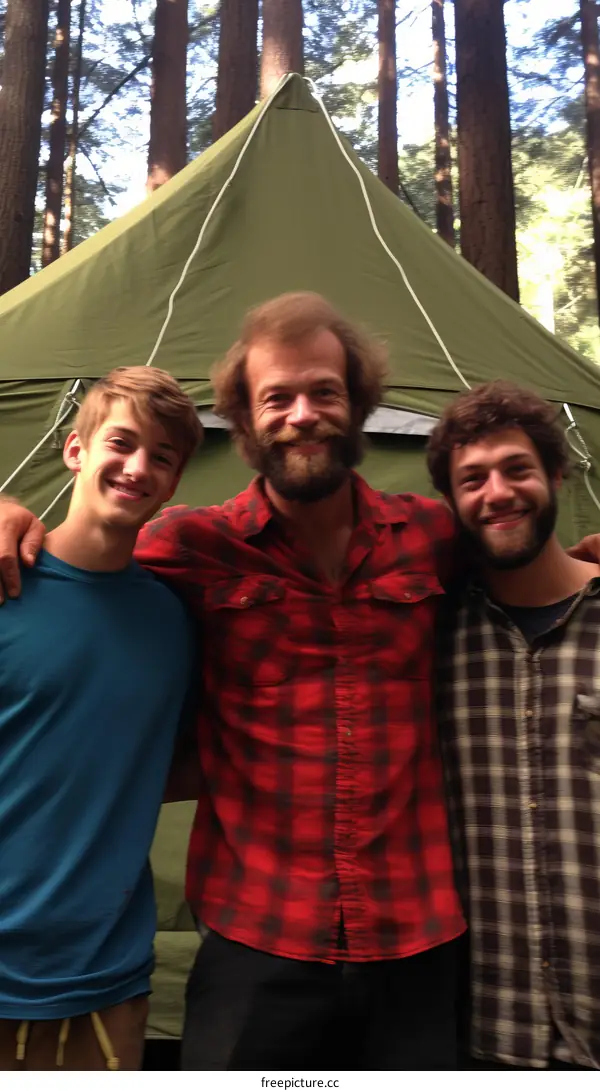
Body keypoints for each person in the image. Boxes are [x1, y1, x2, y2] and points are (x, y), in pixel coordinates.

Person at [0, 293, 465, 1071]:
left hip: (415, 937)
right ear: (245, 422)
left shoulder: (437, 534)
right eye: (275, 397)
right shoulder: (191, 547)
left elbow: (533, 560)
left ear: (359, 405)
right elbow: (86, 569)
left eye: (325, 391)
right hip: (259, 936)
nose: (302, 412)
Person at [0, 366, 202, 1071]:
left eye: (163, 456)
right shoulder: (6, 584)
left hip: (107, 976)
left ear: (175, 482)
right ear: (75, 448)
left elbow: (173, 758)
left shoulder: (172, 619)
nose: (137, 466)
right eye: (121, 441)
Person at [427, 380, 600, 1071]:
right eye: (472, 480)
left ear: (556, 475)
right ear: (451, 502)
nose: (497, 493)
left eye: (517, 469)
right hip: (488, 1037)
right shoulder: (429, 636)